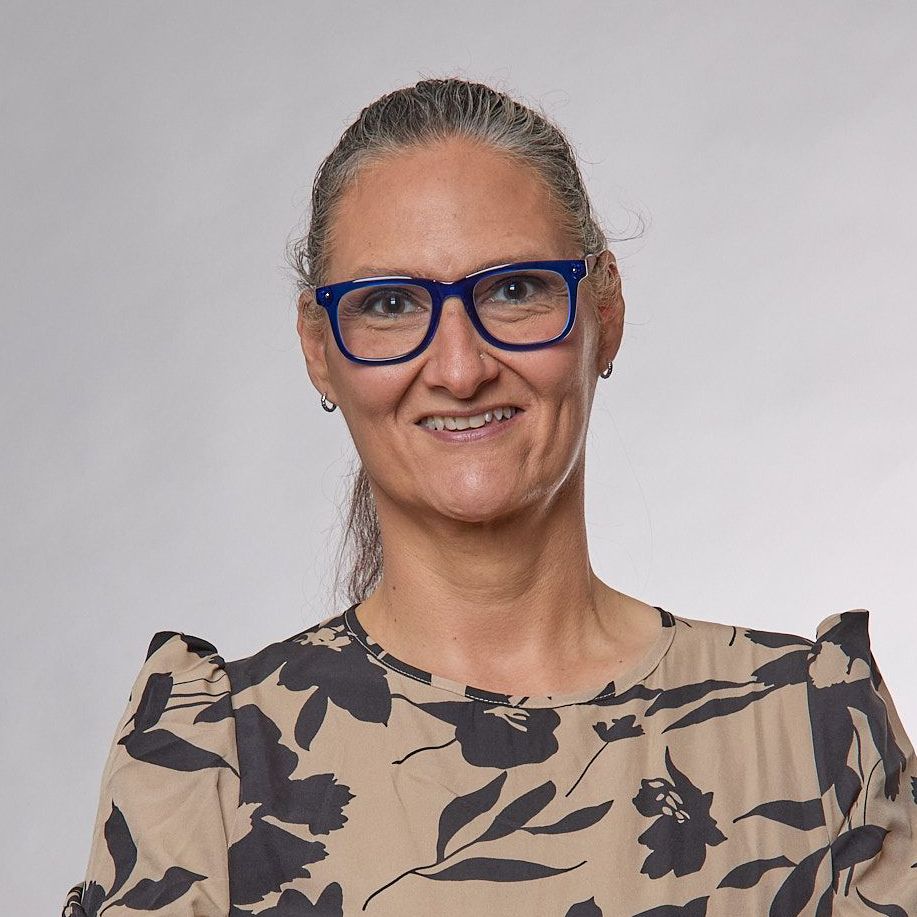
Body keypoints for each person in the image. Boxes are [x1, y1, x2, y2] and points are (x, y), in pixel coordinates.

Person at [63, 78, 916, 917]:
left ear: (605, 311)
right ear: (319, 351)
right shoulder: (209, 760)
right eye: (389, 304)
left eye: (513, 289)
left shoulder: (812, 729)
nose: (460, 368)